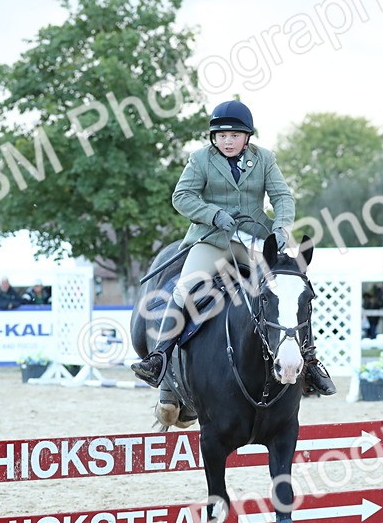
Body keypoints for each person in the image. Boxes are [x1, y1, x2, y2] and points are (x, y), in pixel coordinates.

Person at [131, 100, 336, 412]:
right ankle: (159, 356)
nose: (227, 141)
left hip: (253, 241)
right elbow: (182, 197)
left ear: (247, 137)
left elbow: (282, 195)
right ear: (214, 138)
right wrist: (213, 215)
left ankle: (308, 363)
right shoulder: (200, 159)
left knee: (285, 292)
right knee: (185, 289)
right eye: (221, 135)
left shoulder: (265, 159)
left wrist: (281, 227)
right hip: (211, 240)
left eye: (234, 135)